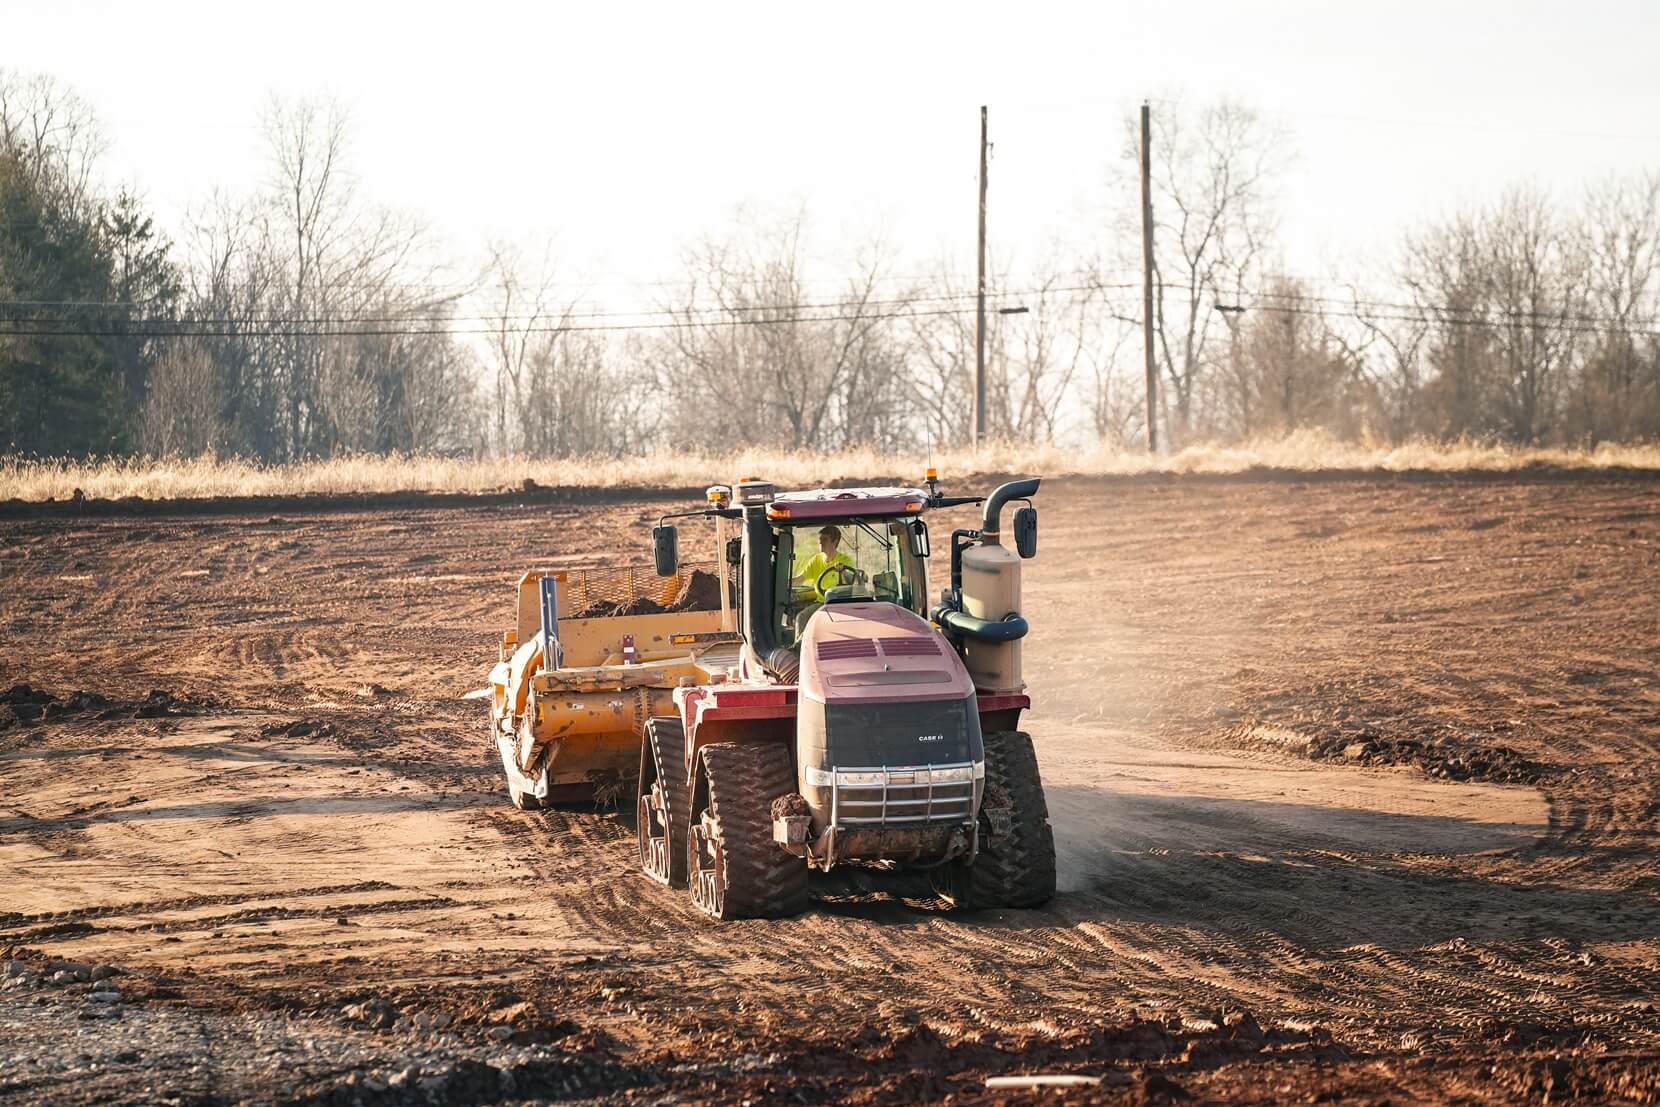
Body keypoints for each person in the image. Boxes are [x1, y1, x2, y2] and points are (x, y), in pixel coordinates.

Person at [793, 526, 856, 600]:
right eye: (820, 539)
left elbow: (853, 582)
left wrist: (843, 572)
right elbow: (799, 580)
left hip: (839, 603)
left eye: (825, 539)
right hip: (821, 603)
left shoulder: (846, 561)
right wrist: (783, 583)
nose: (820, 542)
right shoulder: (816, 560)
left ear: (835, 542)